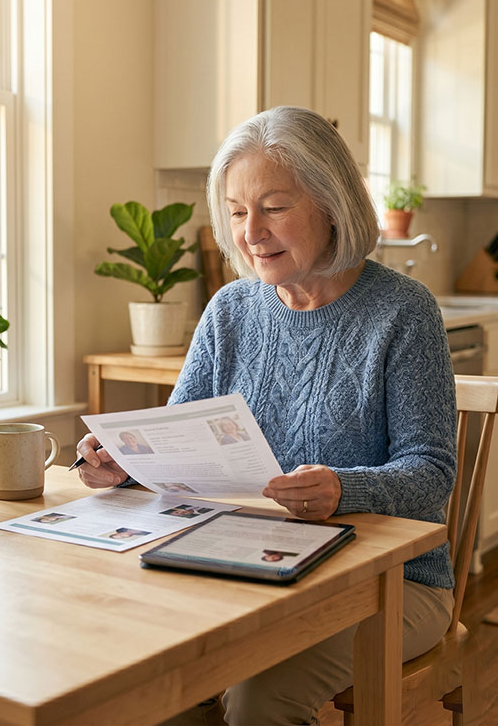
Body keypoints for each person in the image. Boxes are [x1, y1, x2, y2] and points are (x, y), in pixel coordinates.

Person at [76, 106, 456, 725]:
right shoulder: (229, 310)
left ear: (332, 204)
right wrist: (124, 463)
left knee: (257, 696)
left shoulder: (403, 311)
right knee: (142, 676)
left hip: (393, 580)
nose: (252, 231)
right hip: (242, 564)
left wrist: (344, 487)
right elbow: (177, 442)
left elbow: (431, 474)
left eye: (275, 207)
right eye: (236, 211)